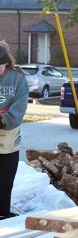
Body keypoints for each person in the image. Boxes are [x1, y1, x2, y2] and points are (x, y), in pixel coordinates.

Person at [0, 41, 29, 220]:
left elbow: (19, 107)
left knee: (5, 182)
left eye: (0, 67)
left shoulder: (17, 78)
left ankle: (2, 214)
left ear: (7, 63)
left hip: (8, 139)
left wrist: (3, 119)